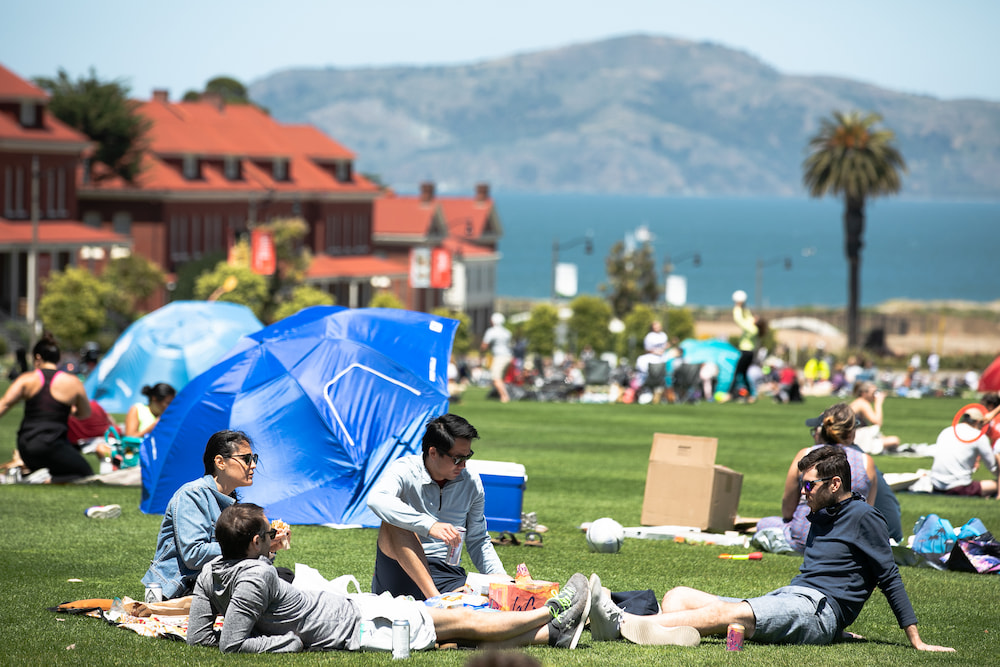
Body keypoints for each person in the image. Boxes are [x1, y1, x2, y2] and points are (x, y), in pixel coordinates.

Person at [589, 446, 953, 652]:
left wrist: (916, 641)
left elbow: (889, 577)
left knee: (722, 610)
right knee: (678, 596)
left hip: (815, 609)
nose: (802, 492)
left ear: (835, 483)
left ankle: (623, 623)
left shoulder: (864, 517)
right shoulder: (825, 511)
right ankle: (677, 631)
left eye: (808, 486)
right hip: (794, 599)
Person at [187, 503, 591, 653]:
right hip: (360, 626)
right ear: (256, 540)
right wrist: (286, 642)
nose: (276, 537)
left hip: (356, 611)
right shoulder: (255, 575)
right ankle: (548, 614)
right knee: (461, 619)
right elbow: (231, 644)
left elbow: (199, 638)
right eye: (268, 534)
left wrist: (271, 554)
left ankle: (554, 634)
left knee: (459, 633)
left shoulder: (211, 571)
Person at [367, 414, 510, 600]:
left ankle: (442, 602)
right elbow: (376, 499)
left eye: (468, 456)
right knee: (394, 522)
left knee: (489, 601)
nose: (464, 465)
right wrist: (429, 525)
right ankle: (436, 602)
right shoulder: (405, 469)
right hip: (400, 569)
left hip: (446, 573)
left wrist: (501, 579)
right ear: (433, 453)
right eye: (457, 459)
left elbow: (478, 540)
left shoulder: (471, 482)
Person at [141, 429, 289, 598]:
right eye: (246, 459)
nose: (253, 465)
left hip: (213, 580)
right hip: (181, 587)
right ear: (220, 462)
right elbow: (194, 555)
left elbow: (242, 560)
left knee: (282, 577)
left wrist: (267, 547)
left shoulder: (229, 502)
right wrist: (248, 545)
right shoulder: (192, 495)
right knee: (274, 582)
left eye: (254, 458)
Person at [756, 403, 878, 553]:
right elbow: (867, 510)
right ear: (852, 432)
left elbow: (787, 510)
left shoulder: (806, 454)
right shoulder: (867, 462)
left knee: (763, 524)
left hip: (805, 537)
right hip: (850, 542)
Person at [0, 332, 93, 481]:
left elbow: (3, 404)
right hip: (53, 445)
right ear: (58, 358)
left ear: (37, 357)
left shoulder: (27, 379)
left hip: (26, 446)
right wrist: (66, 408)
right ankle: (39, 479)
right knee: (85, 474)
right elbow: (85, 414)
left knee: (55, 468)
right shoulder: (72, 382)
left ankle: (26, 474)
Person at [928, 407, 998, 498]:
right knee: (996, 484)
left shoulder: (946, 431)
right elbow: (992, 466)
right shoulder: (978, 436)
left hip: (936, 486)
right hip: (959, 487)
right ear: (978, 422)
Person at [724, 290, 759, 403]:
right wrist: (743, 307)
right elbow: (747, 318)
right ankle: (750, 395)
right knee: (743, 374)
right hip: (748, 352)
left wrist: (738, 307)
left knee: (737, 373)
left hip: (746, 352)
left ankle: (729, 394)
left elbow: (740, 321)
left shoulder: (752, 329)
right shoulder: (752, 325)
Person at [849, 381, 901, 454]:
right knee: (894, 440)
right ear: (864, 393)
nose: (875, 395)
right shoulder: (862, 403)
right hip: (857, 438)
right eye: (873, 392)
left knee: (886, 438)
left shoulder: (859, 402)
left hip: (854, 436)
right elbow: (877, 423)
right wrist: (878, 403)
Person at [482, 313, 512, 403]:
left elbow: (484, 345)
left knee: (496, 378)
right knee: (500, 379)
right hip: (508, 356)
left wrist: (482, 351)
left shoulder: (491, 331)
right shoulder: (507, 332)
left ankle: (505, 397)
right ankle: (503, 396)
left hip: (500, 357)